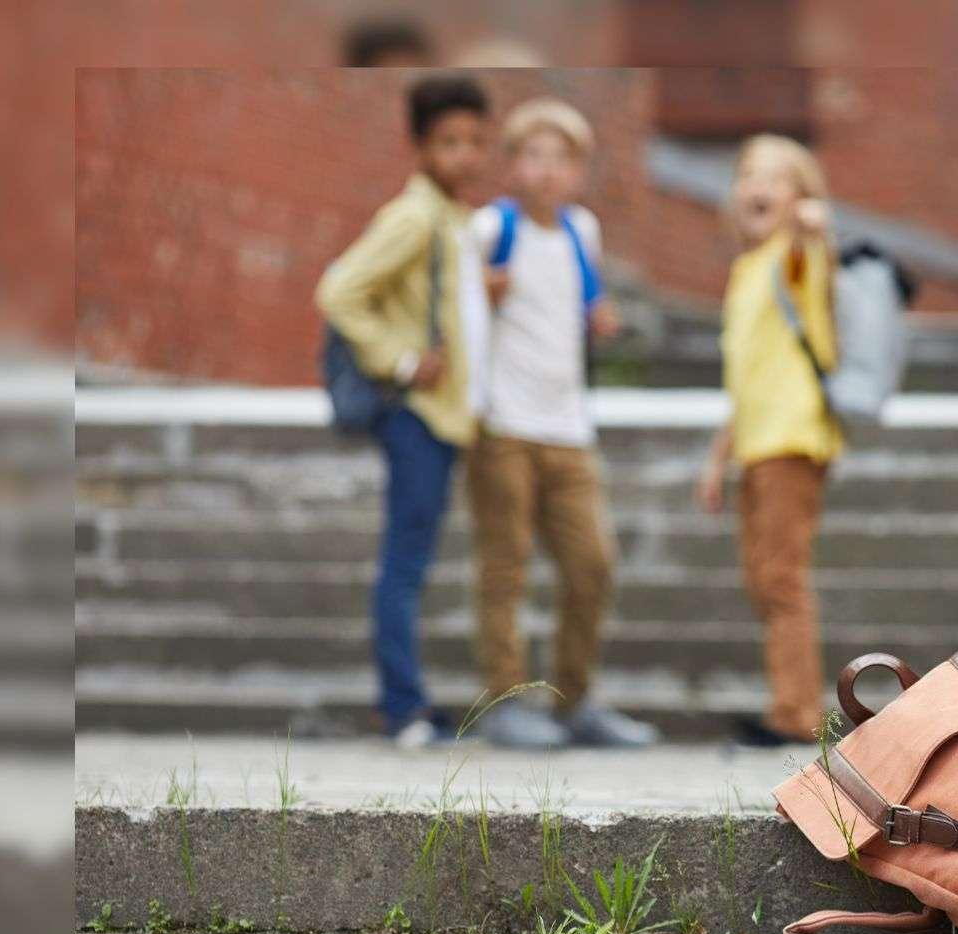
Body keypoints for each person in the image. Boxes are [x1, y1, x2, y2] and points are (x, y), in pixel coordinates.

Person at [462, 98, 657, 749]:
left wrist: (599, 317)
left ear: (578, 171)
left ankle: (575, 699)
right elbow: (460, 316)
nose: (547, 171)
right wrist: (479, 298)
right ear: (513, 165)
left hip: (569, 427)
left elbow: (581, 300)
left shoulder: (582, 230)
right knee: (505, 565)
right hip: (503, 426)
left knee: (592, 563)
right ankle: (507, 699)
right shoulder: (490, 228)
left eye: (561, 159)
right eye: (533, 156)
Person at [316, 74, 489, 746]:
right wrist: (402, 360)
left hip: (448, 416)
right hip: (416, 414)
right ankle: (401, 707)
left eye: (476, 141)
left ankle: (407, 700)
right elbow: (339, 291)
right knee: (404, 562)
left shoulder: (458, 219)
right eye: (449, 141)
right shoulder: (414, 216)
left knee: (412, 558)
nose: (465, 155)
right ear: (419, 146)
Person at [695, 134, 839, 748]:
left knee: (781, 578)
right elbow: (746, 376)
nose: (757, 187)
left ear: (799, 196)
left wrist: (812, 226)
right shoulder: (746, 269)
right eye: (747, 174)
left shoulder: (792, 258)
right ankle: (789, 703)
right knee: (764, 579)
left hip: (792, 438)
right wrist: (717, 458)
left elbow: (815, 251)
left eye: (775, 178)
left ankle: (797, 713)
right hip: (755, 443)